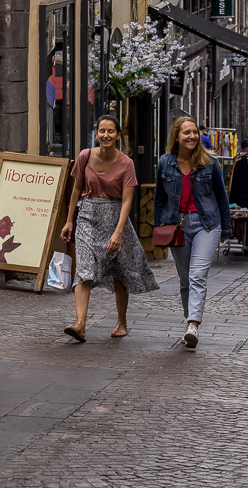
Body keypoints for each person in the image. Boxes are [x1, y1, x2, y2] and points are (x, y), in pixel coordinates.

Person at [62, 115, 158, 343]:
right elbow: (75, 190)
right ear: (96, 134)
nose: (106, 135)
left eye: (110, 131)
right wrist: (69, 220)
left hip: (115, 218)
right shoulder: (84, 156)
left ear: (118, 135)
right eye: (102, 131)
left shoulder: (126, 163)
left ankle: (121, 322)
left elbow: (127, 201)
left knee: (119, 273)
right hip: (87, 216)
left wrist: (118, 232)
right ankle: (80, 325)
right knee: (84, 269)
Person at [154, 117, 232, 348]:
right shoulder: (165, 163)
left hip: (206, 224)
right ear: (176, 136)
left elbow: (221, 196)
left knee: (198, 275)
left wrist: (226, 228)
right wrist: (159, 226)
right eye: (187, 132)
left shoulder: (209, 162)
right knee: (185, 279)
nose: (192, 136)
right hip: (176, 226)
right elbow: (160, 198)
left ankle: (193, 325)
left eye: (195, 132)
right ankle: (190, 322)